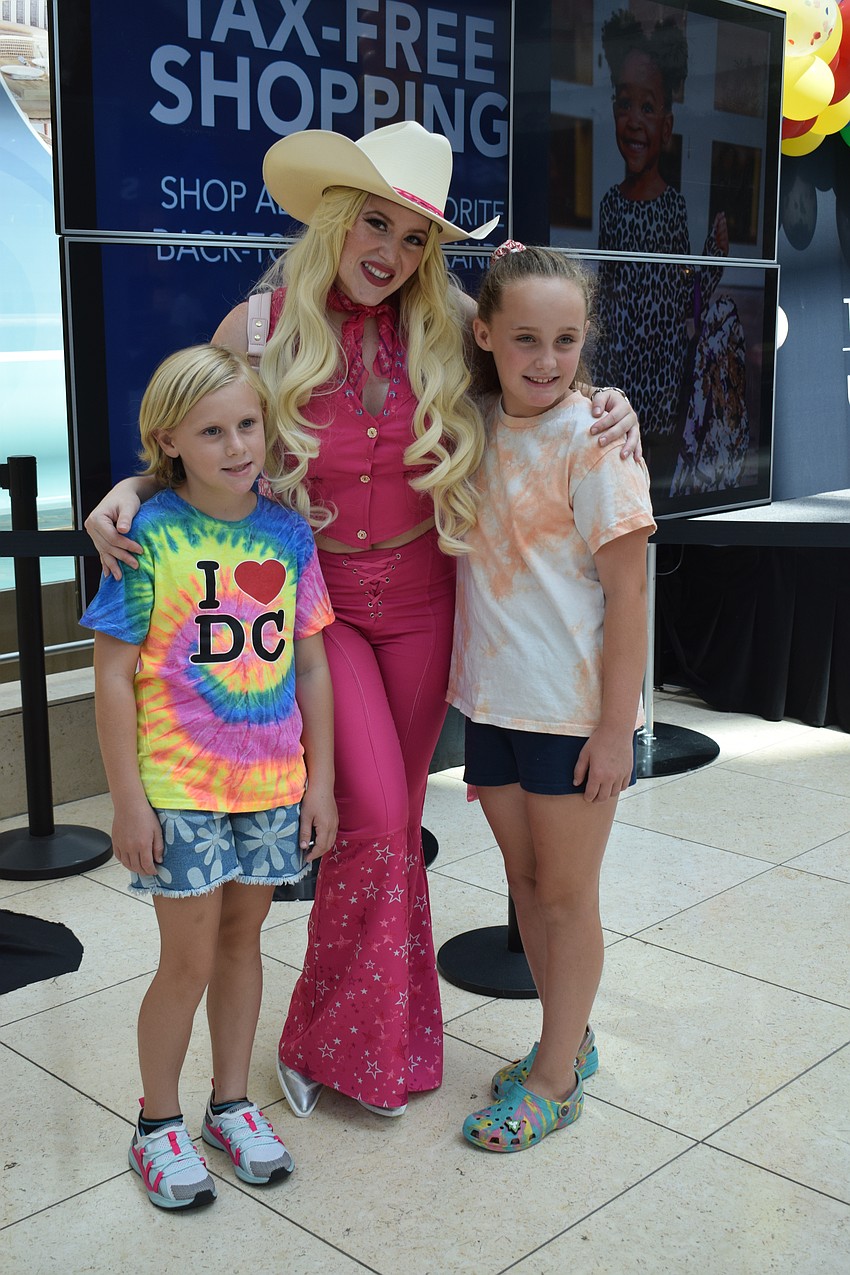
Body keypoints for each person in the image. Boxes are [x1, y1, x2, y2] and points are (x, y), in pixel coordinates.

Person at [84, 120, 641, 1121]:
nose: (393, 251)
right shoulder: (258, 328)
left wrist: (613, 407)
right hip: (321, 608)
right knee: (375, 821)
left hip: (431, 604)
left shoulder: (452, 319)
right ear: (337, 217)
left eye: (417, 235)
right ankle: (339, 1044)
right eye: (375, 223)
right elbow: (198, 444)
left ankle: (373, 1042)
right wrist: (129, 490)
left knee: (390, 827)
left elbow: (543, 372)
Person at [80, 345, 336, 1207]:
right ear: (169, 442)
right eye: (213, 431)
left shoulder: (288, 533)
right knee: (185, 959)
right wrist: (127, 800)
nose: (236, 446)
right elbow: (112, 673)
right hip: (178, 790)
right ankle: (158, 1124)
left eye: (248, 425)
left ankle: (232, 1103)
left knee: (241, 944)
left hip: (267, 785)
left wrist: (321, 782)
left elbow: (311, 667)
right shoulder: (146, 535)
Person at [447, 242, 656, 1152]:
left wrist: (617, 729)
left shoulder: (598, 441)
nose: (545, 358)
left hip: (573, 719)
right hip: (494, 707)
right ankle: (564, 1038)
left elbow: (630, 593)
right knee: (526, 886)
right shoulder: (472, 422)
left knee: (568, 897)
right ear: (484, 334)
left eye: (566, 340)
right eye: (525, 337)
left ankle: (555, 1078)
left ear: (586, 344)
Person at [594, 9, 729, 491]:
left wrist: (714, 256)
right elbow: (606, 286)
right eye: (624, 103)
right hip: (618, 362)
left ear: (667, 127)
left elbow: (687, 292)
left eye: (647, 108)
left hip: (662, 368)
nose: (633, 120)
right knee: (612, 461)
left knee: (652, 464)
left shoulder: (672, 206)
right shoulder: (611, 204)